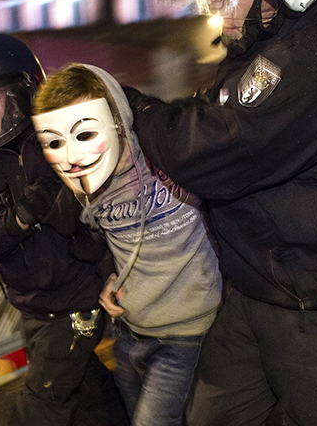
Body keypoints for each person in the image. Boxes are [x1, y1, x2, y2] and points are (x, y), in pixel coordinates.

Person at [116, 0, 317, 424]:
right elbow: (213, 118)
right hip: (259, 289)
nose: (216, 11)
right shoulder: (262, 48)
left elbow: (220, 151)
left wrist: (136, 109)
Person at [0, 34, 127, 426]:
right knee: (92, 400)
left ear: (21, 93)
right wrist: (19, 219)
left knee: (40, 406)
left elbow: (105, 212)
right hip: (29, 303)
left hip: (76, 301)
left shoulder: (56, 141)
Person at [30, 63, 222, 426]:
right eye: (55, 142)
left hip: (186, 336)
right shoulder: (84, 190)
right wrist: (109, 276)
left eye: (85, 133)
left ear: (116, 117)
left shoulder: (167, 155)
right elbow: (97, 244)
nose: (72, 155)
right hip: (130, 334)